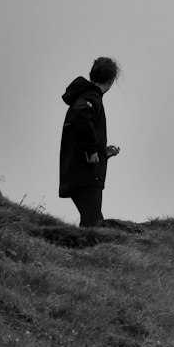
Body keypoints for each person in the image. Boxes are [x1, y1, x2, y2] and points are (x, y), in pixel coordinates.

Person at [58, 57, 121, 226]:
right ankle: (86, 252)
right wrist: (92, 150)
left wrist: (102, 151)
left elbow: (83, 124)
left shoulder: (86, 96)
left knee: (94, 220)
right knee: (92, 223)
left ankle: (88, 251)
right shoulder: (90, 98)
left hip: (77, 170)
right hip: (86, 173)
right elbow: (81, 116)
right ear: (111, 80)